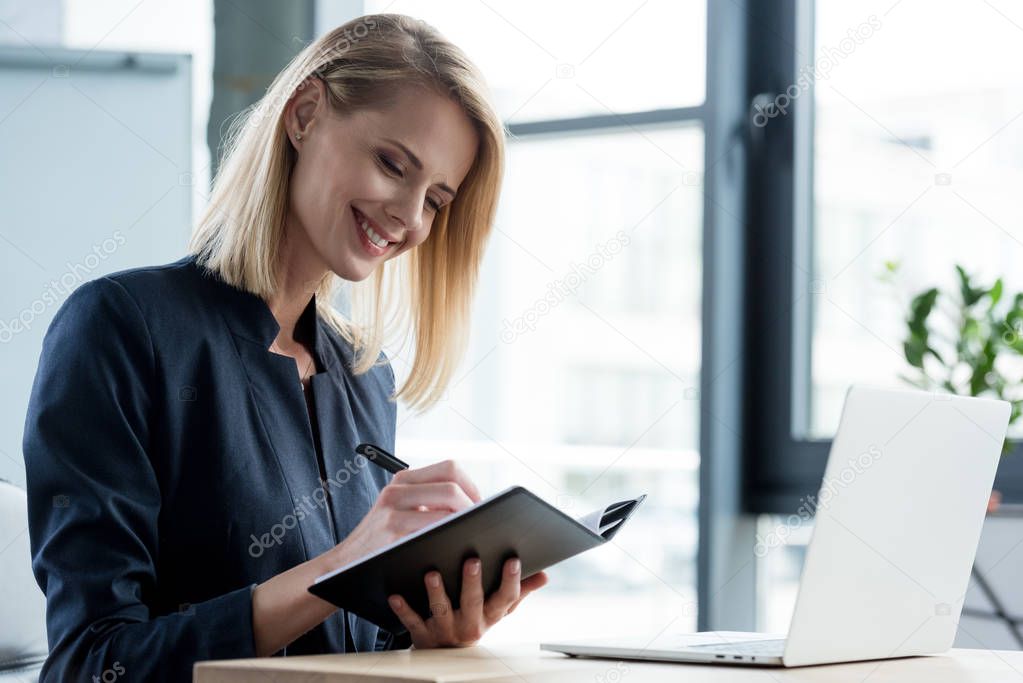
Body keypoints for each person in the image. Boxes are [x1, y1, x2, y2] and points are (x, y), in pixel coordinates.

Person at [23, 14, 547, 682]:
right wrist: (340, 566)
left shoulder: (364, 376)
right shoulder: (120, 327)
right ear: (304, 115)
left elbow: (339, 653)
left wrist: (429, 637)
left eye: (437, 201)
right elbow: (92, 664)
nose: (411, 218)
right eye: (393, 164)